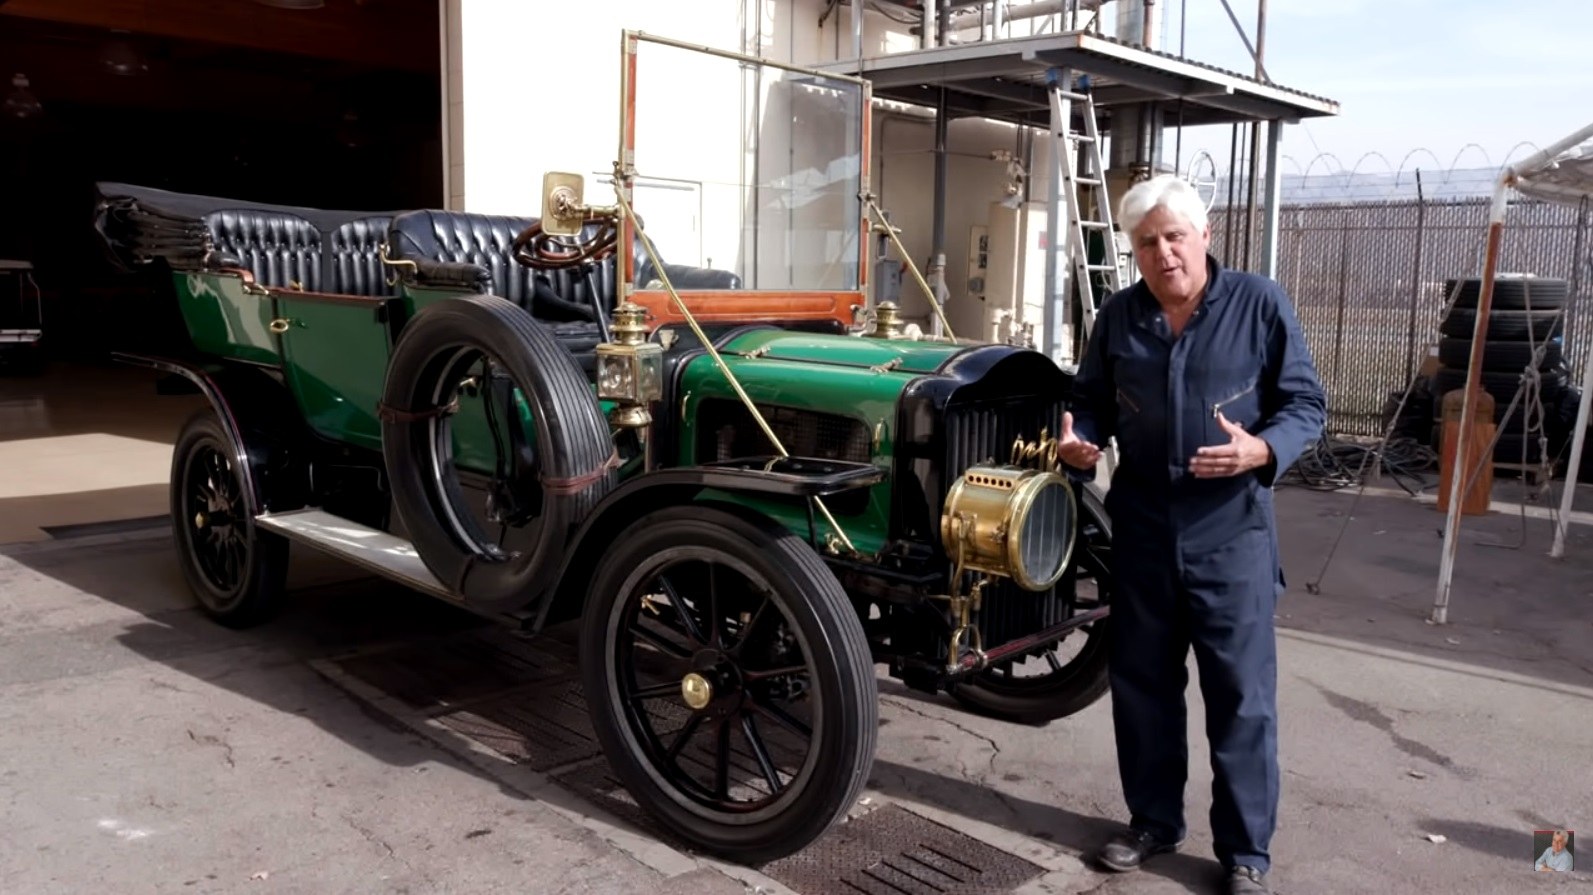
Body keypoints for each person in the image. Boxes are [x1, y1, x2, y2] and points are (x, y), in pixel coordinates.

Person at [1055, 174, 1326, 895]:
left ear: (1204, 235)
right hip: (1143, 527)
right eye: (1146, 242)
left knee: (1240, 696)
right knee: (1141, 684)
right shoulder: (1119, 316)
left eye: (1174, 235)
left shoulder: (1258, 304)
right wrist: (1079, 439)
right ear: (1133, 252)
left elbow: (1304, 404)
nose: (1162, 253)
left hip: (1230, 533)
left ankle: (1244, 853)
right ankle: (1152, 822)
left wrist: (1260, 450)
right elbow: (1088, 403)